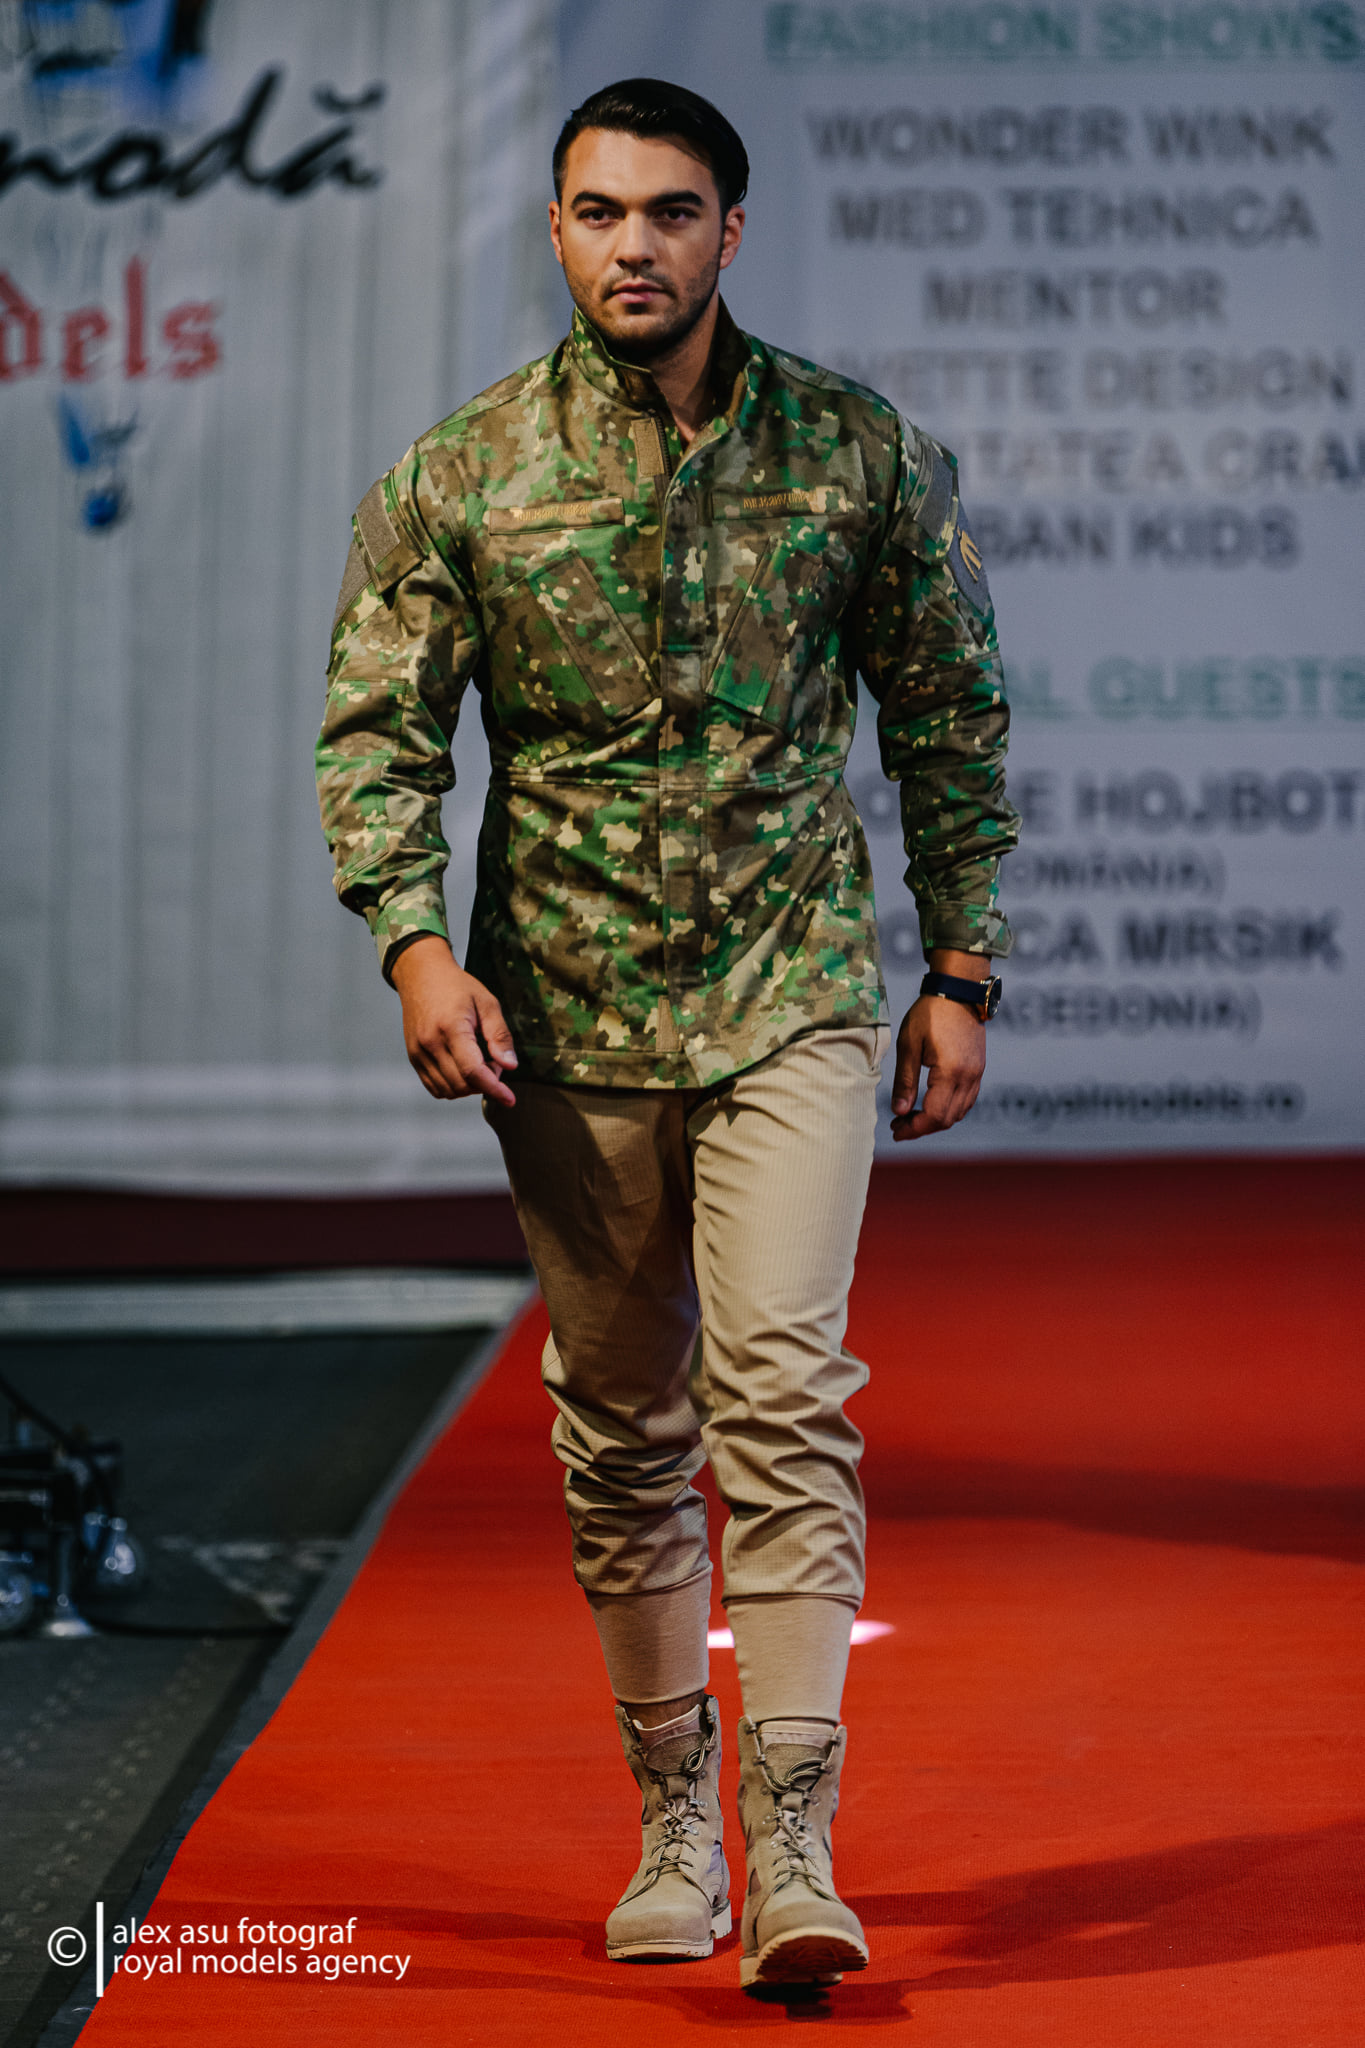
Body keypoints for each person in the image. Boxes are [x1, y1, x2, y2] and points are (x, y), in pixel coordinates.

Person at [317, 76, 1017, 1991]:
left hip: (794, 990)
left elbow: (948, 712)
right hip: (562, 1011)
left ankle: (795, 1837)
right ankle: (675, 1821)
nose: (635, 244)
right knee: (623, 1426)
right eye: (601, 211)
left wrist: (960, 967)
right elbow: (378, 732)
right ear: (556, 229)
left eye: (672, 211)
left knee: (782, 1387)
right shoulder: (463, 471)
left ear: (730, 231)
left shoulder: (855, 453)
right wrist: (410, 948)